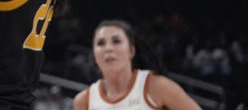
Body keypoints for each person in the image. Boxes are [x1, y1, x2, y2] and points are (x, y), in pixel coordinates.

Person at [73, 20, 201, 110]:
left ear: (131, 51)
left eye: (116, 41)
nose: (108, 48)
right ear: (94, 55)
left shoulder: (156, 86)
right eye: (101, 43)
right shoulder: (84, 101)